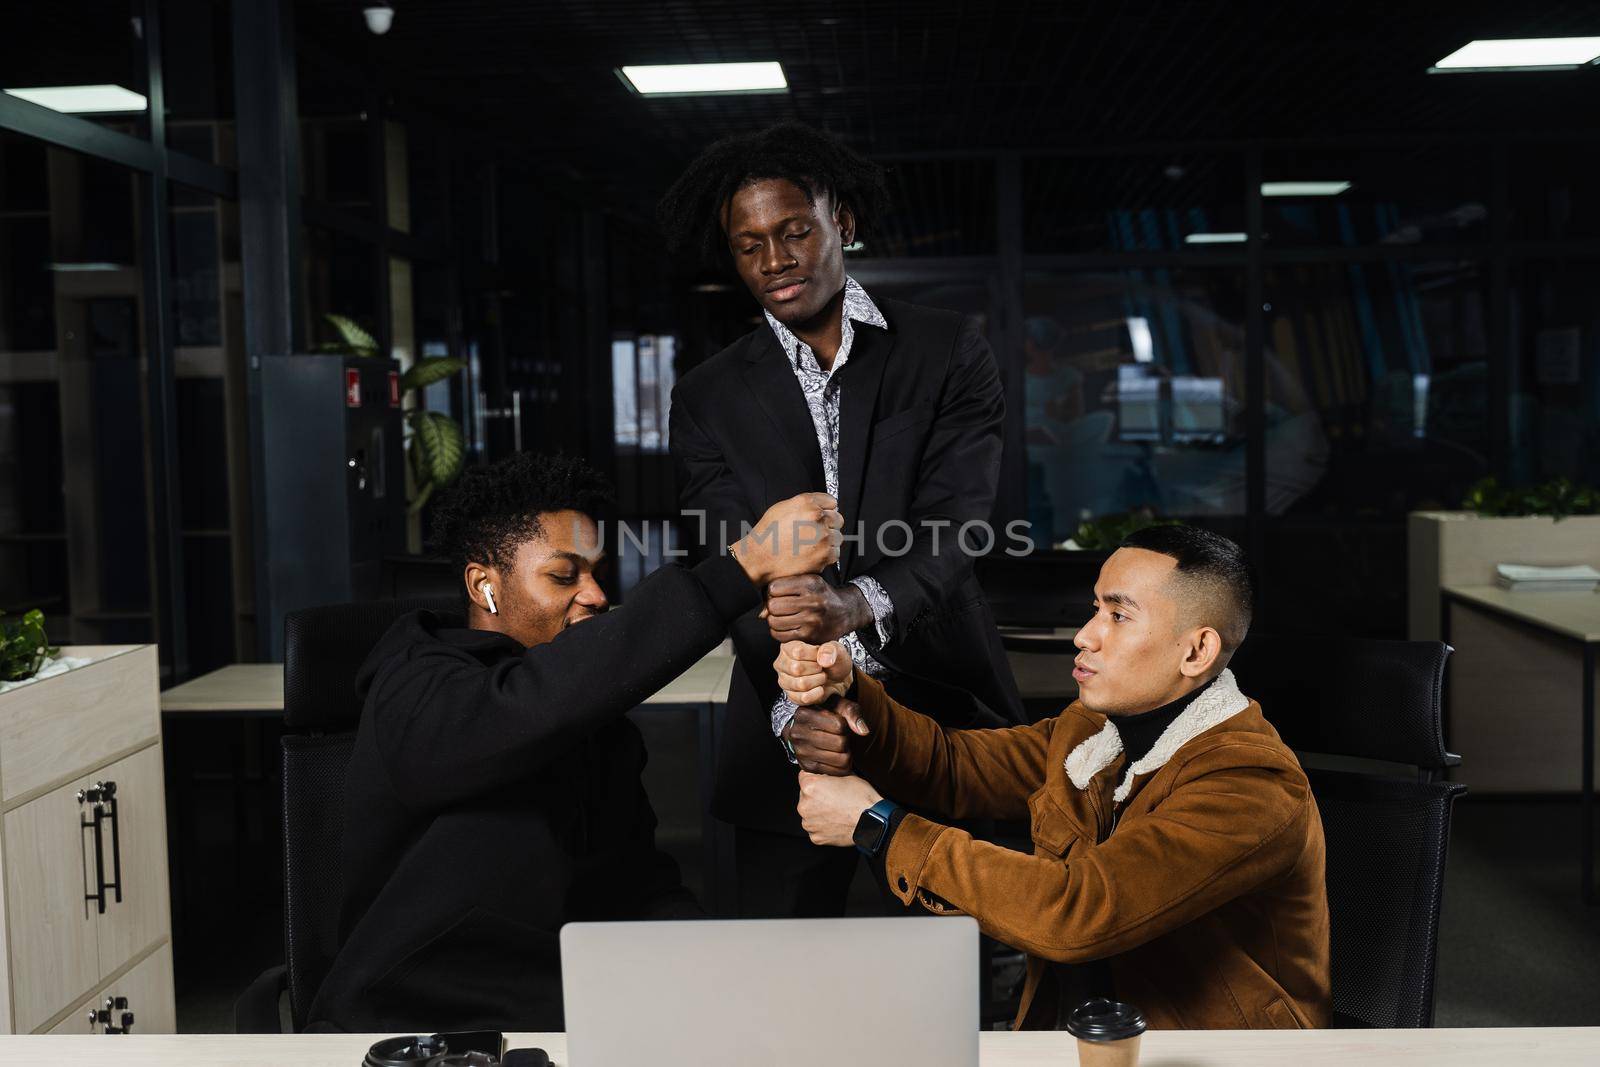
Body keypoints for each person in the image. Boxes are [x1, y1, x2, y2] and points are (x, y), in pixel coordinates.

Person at [308, 453, 842, 1032]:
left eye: (596, 574)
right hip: (410, 1026)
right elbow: (524, 708)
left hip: (562, 1016)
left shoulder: (589, 720)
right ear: (483, 583)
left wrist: (722, 962)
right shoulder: (417, 683)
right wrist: (743, 567)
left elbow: (635, 887)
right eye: (564, 576)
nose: (593, 595)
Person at [660, 121, 1025, 918]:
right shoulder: (707, 395)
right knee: (780, 993)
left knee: (959, 978)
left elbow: (959, 523)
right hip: (786, 743)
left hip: (943, 720)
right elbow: (737, 562)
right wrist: (803, 713)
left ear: (843, 224)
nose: (775, 260)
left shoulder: (946, 349)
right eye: (749, 244)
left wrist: (855, 603)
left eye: (795, 232)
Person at [777, 525, 1331, 1029]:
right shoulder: (1094, 731)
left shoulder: (1248, 783)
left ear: (1197, 650)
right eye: (1094, 609)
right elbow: (954, 768)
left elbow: (1078, 912)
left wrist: (877, 825)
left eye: (1118, 616)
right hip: (1085, 1039)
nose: (1083, 636)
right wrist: (848, 688)